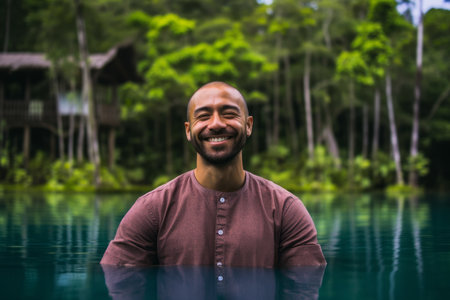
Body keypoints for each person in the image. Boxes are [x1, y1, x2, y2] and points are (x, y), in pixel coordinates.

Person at [100, 81, 326, 268]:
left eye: (228, 114)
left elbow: (304, 288)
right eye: (204, 116)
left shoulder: (285, 210)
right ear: (188, 130)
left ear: (248, 125)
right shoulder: (152, 210)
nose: (216, 124)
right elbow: (119, 284)